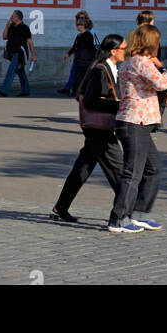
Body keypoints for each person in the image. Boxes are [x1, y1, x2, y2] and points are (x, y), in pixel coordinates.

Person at [107, 24, 167, 235]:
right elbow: (162, 83)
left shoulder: (130, 60)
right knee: (133, 172)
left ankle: (140, 213)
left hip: (139, 122)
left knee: (152, 169)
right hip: (135, 122)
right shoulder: (140, 62)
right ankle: (118, 218)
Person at [52, 34, 126, 221]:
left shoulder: (111, 68)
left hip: (98, 128)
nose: (127, 51)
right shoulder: (100, 70)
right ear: (113, 51)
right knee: (118, 171)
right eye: (124, 48)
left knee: (82, 168)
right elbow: (92, 101)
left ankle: (61, 207)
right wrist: (119, 105)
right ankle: (126, 213)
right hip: (98, 129)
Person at [0, 10, 35, 97]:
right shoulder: (11, 27)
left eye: (13, 16)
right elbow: (4, 37)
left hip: (19, 53)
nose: (11, 17)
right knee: (20, 71)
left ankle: (4, 90)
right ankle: (26, 90)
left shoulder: (24, 28)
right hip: (11, 51)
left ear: (17, 17)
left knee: (11, 70)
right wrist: (7, 26)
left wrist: (33, 55)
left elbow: (30, 42)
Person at [59, 14, 96, 96]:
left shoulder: (88, 35)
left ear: (82, 25)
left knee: (80, 76)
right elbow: (74, 46)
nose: (77, 27)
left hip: (84, 60)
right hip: (78, 59)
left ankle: (78, 91)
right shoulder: (79, 35)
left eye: (78, 25)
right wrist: (68, 54)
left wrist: (95, 57)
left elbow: (91, 47)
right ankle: (74, 91)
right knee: (76, 75)